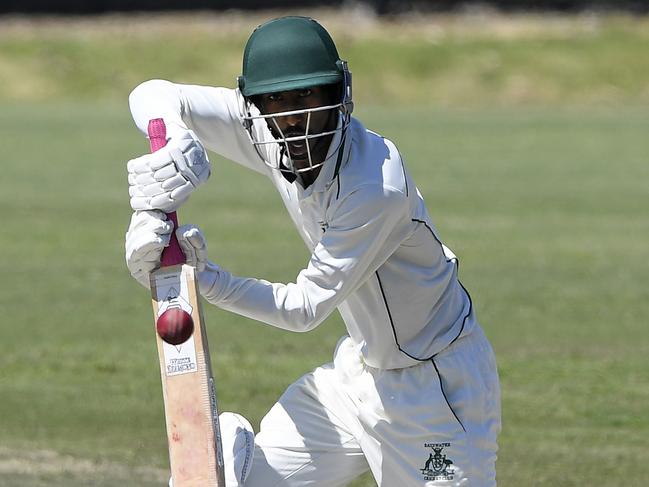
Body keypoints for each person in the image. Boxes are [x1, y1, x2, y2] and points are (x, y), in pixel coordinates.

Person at [125, 15, 501, 487]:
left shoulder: (374, 186)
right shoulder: (271, 134)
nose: (291, 119)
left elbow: (302, 309)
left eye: (305, 97)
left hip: (435, 390)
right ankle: (235, 464)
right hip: (354, 377)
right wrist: (173, 138)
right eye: (276, 101)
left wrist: (205, 280)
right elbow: (152, 92)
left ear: (335, 96)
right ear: (257, 105)